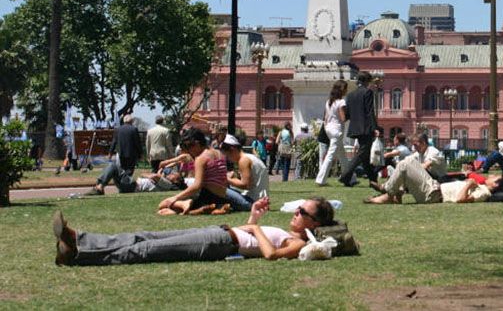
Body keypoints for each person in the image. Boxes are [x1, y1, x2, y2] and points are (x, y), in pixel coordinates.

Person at [52, 196, 336, 266]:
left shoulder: (299, 244)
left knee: (147, 250)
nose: (296, 213)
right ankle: (79, 240)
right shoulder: (291, 230)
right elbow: (254, 234)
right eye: (298, 208)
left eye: (302, 212)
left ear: (315, 224)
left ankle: (79, 255)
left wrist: (254, 227)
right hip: (219, 231)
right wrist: (255, 217)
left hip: (220, 243)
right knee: (144, 236)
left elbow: (271, 255)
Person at [364, 153, 503, 204]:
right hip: (434, 187)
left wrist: (468, 185)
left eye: (494, 176)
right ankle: (393, 194)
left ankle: (387, 190)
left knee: (404, 164)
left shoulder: (484, 193)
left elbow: (460, 200)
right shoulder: (483, 188)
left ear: (496, 184)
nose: (491, 175)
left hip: (433, 194)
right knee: (410, 161)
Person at [158, 128, 232, 215]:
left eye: (189, 146)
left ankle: (186, 205)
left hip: (207, 196)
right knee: (167, 210)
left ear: (197, 143)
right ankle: (211, 209)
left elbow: (197, 186)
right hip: (222, 197)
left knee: (162, 205)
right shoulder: (220, 153)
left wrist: (175, 197)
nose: (188, 150)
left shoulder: (201, 158)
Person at [340, 71, 379, 187]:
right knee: (362, 154)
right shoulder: (368, 92)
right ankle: (345, 175)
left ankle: (373, 181)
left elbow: (347, 114)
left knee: (365, 156)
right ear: (367, 81)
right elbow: (369, 111)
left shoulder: (350, 95)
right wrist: (375, 127)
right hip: (366, 128)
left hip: (355, 127)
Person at [221, 134, 269, 211]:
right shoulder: (249, 157)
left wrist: (226, 179)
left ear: (232, 150)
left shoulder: (243, 161)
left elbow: (245, 185)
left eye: (228, 156)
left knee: (220, 189)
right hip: (260, 200)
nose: (228, 159)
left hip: (253, 202)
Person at [83, 159, 184, 195]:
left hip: (133, 186)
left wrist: (152, 174)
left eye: (174, 174)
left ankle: (99, 187)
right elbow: (161, 167)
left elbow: (154, 175)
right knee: (114, 167)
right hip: (132, 185)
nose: (171, 173)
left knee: (113, 166)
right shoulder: (164, 182)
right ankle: (99, 187)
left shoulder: (168, 184)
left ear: (176, 181)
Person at [316, 81, 349, 185]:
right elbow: (343, 118)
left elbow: (325, 118)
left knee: (342, 156)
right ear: (342, 90)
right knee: (330, 155)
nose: (346, 91)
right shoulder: (341, 102)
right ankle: (320, 180)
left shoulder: (329, 102)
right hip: (337, 130)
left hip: (329, 129)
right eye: (345, 89)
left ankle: (350, 178)